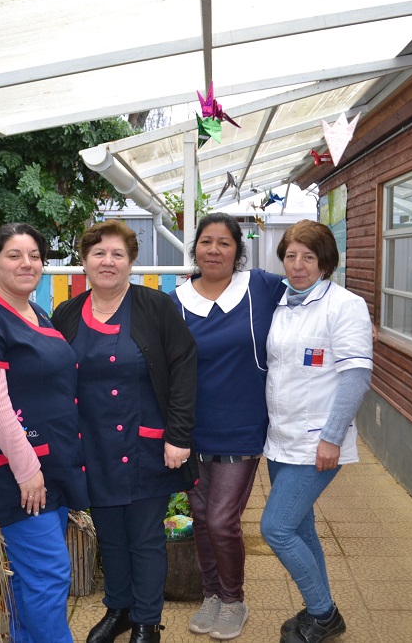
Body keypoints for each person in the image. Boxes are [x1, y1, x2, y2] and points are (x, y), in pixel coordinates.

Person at [52, 220, 197, 643]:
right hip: (92, 447)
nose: (108, 261)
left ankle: (148, 621)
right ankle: (120, 610)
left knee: (146, 537)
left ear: (131, 262)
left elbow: (184, 369)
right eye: (98, 254)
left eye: (117, 254)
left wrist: (180, 436)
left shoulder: (156, 307)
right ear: (84, 262)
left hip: (147, 443)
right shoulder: (67, 313)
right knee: (110, 537)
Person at [0, 223, 89, 643]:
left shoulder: (37, 313)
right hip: (18, 473)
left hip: (52, 468)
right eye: (14, 255)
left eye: (34, 255)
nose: (26, 263)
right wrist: (27, 468)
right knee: (49, 576)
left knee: (28, 582)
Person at [170, 213, 284, 640]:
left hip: (242, 422)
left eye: (224, 243)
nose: (214, 250)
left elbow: (311, 300)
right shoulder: (176, 300)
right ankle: (211, 595)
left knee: (221, 519)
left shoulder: (261, 287)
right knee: (200, 515)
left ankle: (234, 599)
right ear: (194, 248)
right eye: (206, 242)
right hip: (191, 426)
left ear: (238, 251)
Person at [260, 220, 373, 643]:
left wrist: (332, 436)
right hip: (281, 438)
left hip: (318, 443)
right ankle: (318, 610)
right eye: (291, 255)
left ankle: (324, 613)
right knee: (301, 530)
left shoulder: (344, 305)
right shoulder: (283, 303)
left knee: (276, 528)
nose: (298, 264)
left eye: (308, 256)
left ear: (325, 262)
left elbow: (356, 376)